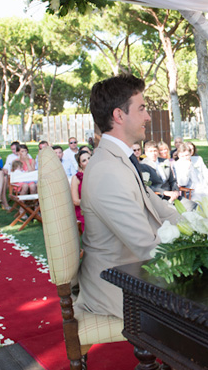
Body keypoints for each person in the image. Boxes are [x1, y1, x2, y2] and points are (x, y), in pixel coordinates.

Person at [77, 74, 179, 319]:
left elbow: (164, 211)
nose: (147, 116)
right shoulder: (107, 170)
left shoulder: (119, 160)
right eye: (142, 108)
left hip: (133, 270)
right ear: (119, 115)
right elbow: (147, 247)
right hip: (116, 284)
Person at [71, 150, 91, 233]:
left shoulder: (99, 174)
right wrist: (91, 204)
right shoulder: (76, 178)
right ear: (80, 164)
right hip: (83, 210)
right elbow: (75, 201)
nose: (88, 161)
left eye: (89, 158)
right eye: (84, 160)